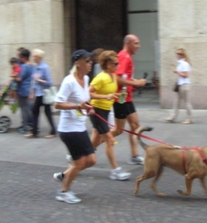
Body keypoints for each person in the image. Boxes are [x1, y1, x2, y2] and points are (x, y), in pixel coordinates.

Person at [52, 49, 96, 204]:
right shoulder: (69, 81)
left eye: (91, 61)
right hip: (68, 129)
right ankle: (63, 191)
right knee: (79, 163)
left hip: (80, 127)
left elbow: (84, 101)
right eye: (87, 61)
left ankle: (64, 176)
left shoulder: (86, 79)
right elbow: (57, 104)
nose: (90, 63)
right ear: (77, 63)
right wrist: (77, 106)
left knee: (91, 160)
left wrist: (88, 108)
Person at [89, 50, 131, 180]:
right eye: (115, 63)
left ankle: (78, 156)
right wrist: (105, 96)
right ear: (107, 64)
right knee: (109, 140)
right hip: (97, 111)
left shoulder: (113, 76)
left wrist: (116, 95)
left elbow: (109, 93)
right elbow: (88, 93)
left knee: (96, 140)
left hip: (106, 111)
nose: (118, 66)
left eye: (118, 63)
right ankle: (115, 170)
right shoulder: (100, 78)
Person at [110, 34, 146, 165]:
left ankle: (134, 155)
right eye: (136, 43)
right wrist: (136, 84)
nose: (139, 46)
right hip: (121, 98)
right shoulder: (124, 57)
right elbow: (118, 78)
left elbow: (124, 78)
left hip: (127, 97)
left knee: (135, 125)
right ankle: (86, 150)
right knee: (118, 130)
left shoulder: (126, 56)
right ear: (128, 43)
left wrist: (136, 81)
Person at [25, 49, 56, 139]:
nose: (33, 58)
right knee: (36, 111)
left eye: (35, 56)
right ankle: (35, 132)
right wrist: (32, 92)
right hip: (38, 94)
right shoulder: (36, 67)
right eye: (33, 56)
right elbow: (34, 82)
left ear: (39, 57)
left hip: (44, 94)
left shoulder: (45, 67)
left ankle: (51, 131)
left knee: (46, 112)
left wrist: (40, 80)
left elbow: (49, 83)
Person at [165, 48, 193, 124]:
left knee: (186, 103)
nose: (177, 55)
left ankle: (189, 118)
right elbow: (180, 74)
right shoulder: (180, 63)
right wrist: (175, 70)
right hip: (180, 85)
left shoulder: (185, 63)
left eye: (178, 53)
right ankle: (172, 117)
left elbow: (186, 75)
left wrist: (177, 72)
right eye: (176, 53)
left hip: (185, 85)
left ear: (182, 55)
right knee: (176, 102)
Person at [15, 48, 34, 134]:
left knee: (24, 109)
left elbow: (19, 78)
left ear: (24, 57)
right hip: (28, 89)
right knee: (28, 108)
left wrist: (13, 77)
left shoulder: (24, 66)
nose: (18, 58)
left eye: (19, 56)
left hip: (23, 90)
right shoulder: (31, 66)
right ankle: (30, 124)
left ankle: (25, 126)